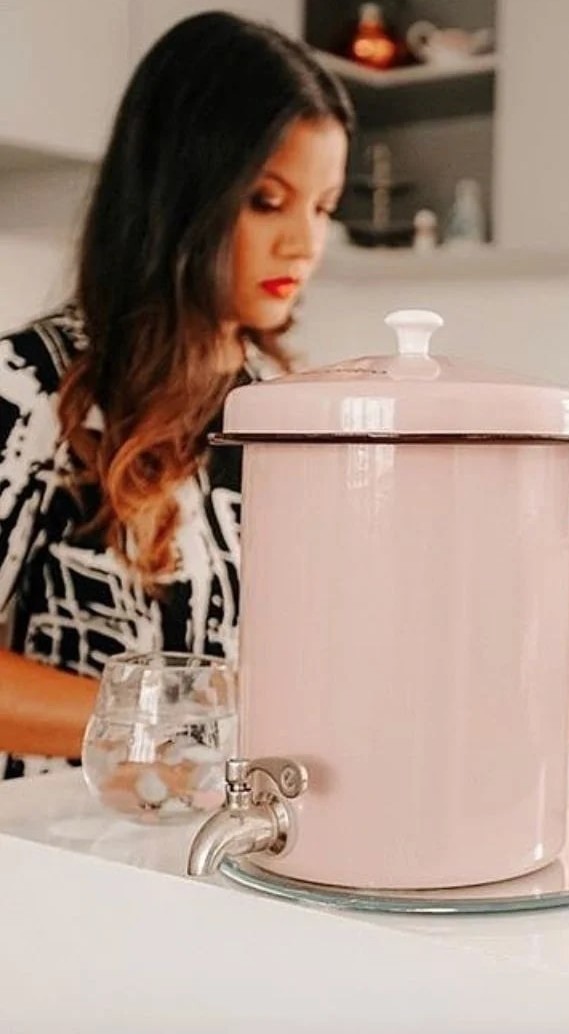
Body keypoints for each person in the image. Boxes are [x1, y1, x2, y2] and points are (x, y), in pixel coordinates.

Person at [0, 11, 353, 779]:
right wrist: (182, 727)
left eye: (323, 207)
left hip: (230, 834)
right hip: (47, 841)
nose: (304, 243)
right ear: (180, 194)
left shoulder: (279, 414)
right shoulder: (28, 386)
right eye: (266, 201)